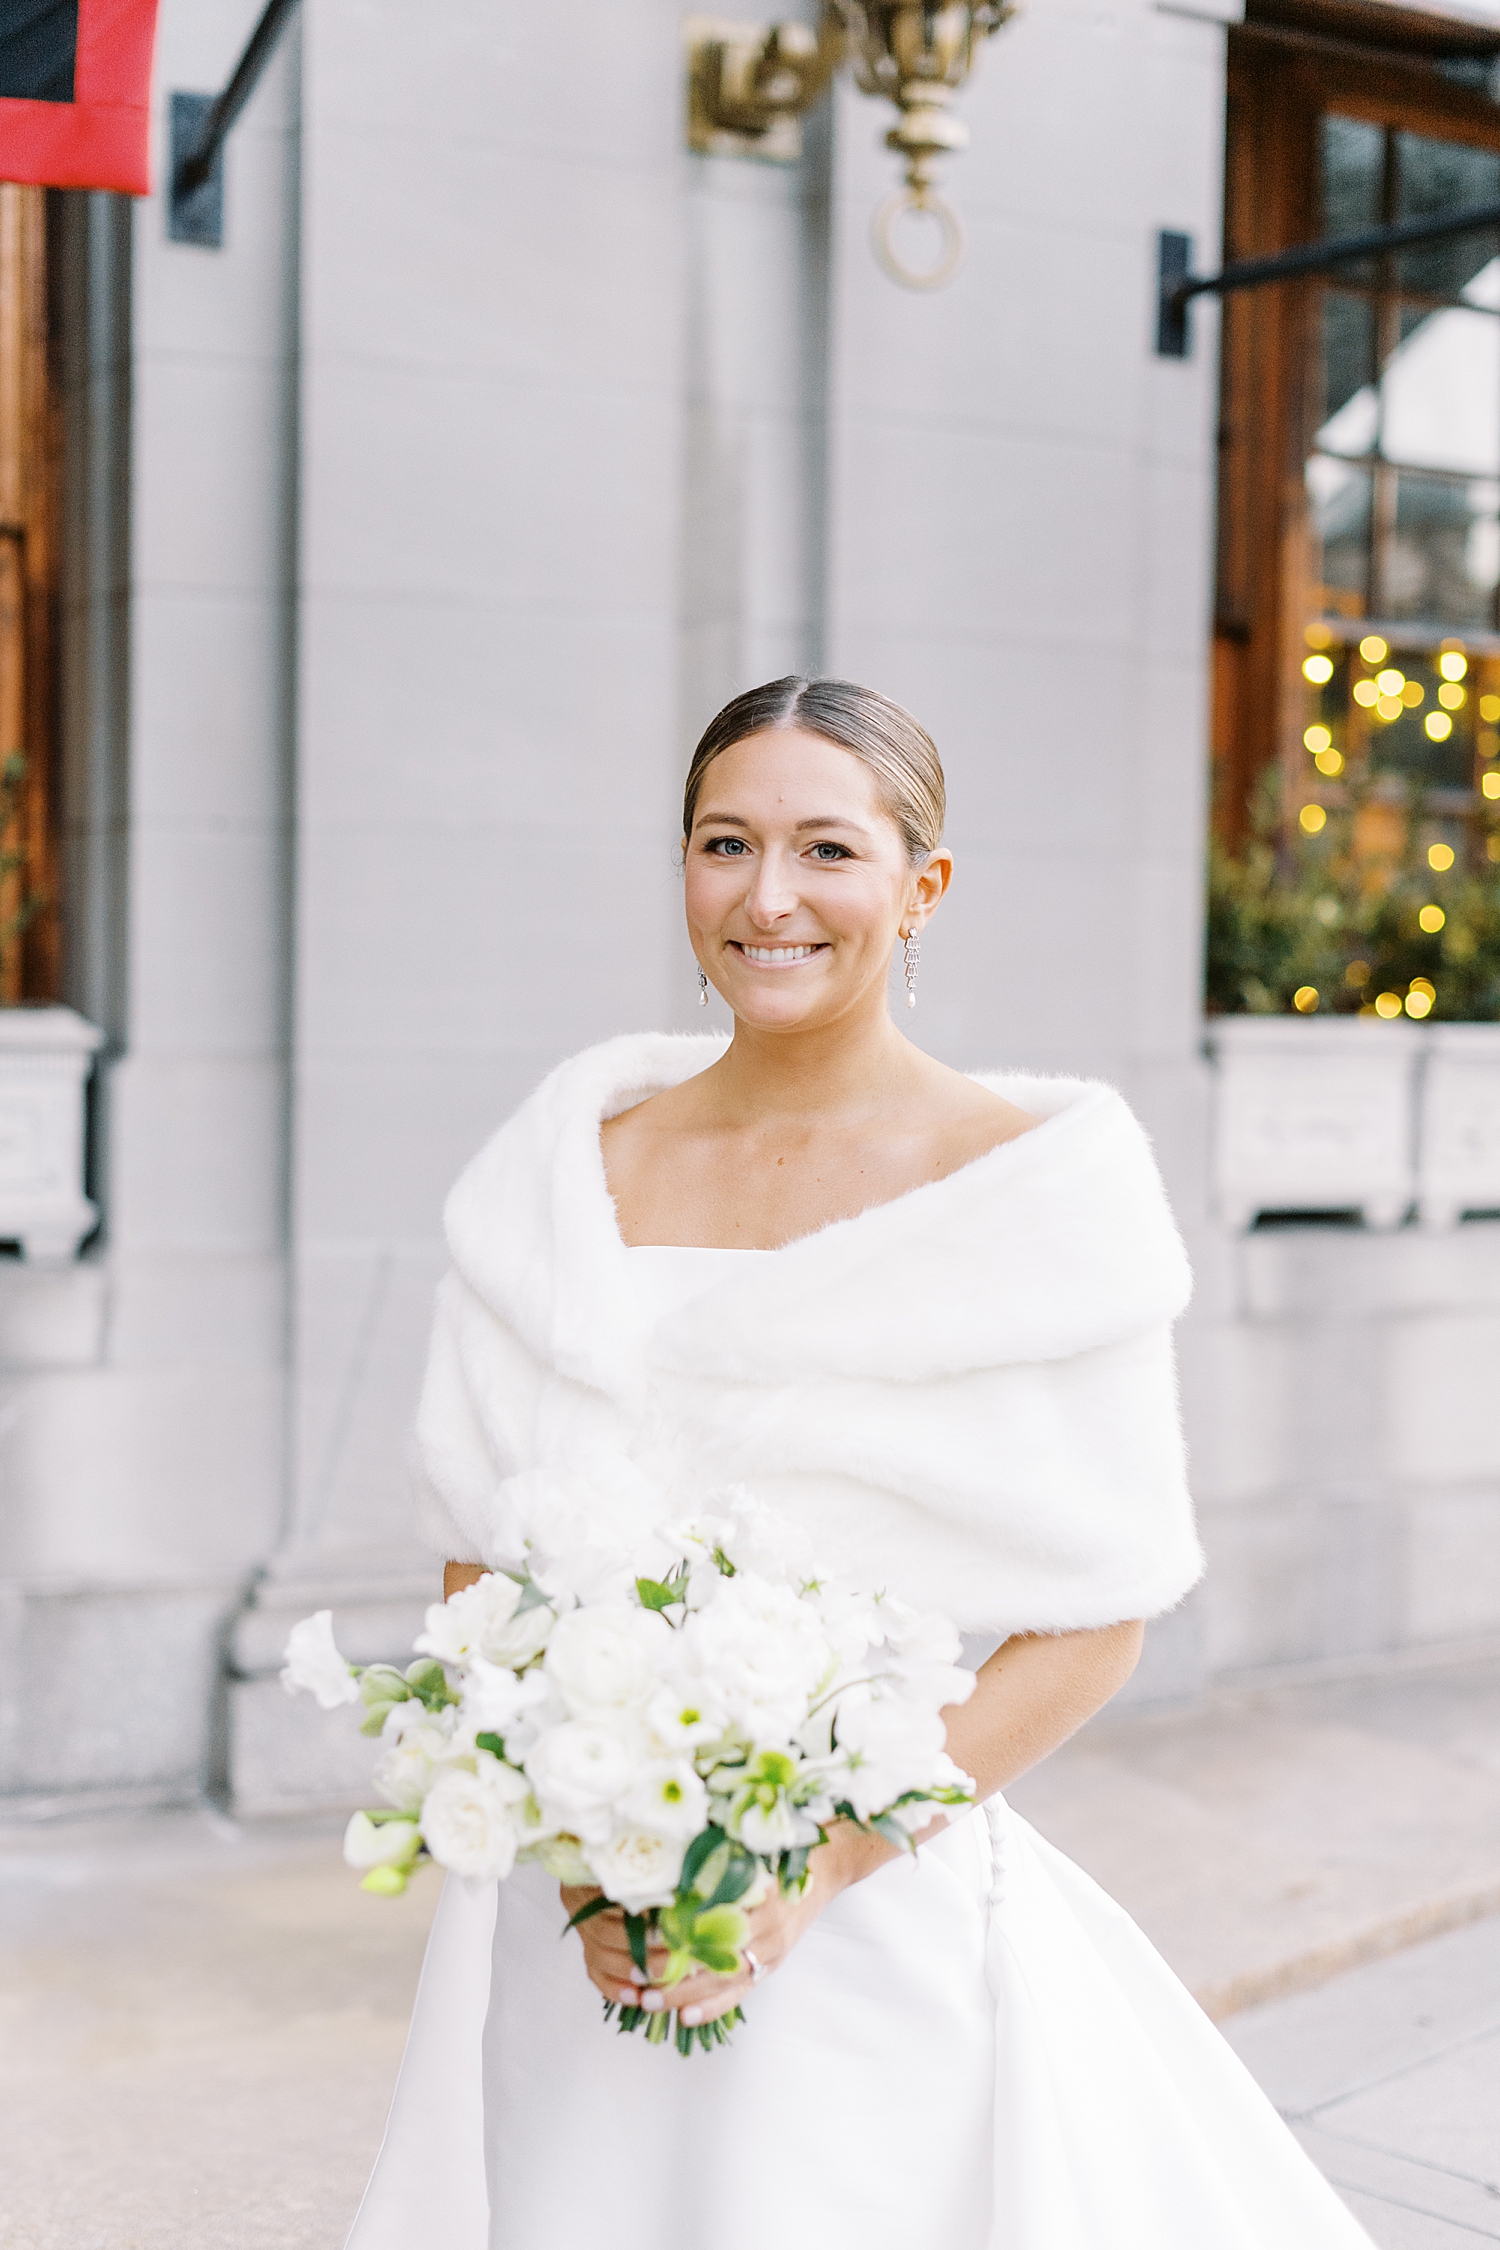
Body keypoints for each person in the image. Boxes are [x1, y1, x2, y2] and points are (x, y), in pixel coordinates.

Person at [347, 677, 1374, 2250]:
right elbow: (480, 1572)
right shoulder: (562, 1182)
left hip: (869, 1935)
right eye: (723, 843)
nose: (768, 897)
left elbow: (1096, 1621)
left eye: (828, 848)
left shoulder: (1030, 1196)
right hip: (574, 1940)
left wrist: (813, 1867)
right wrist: (573, 1842)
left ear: (922, 884)